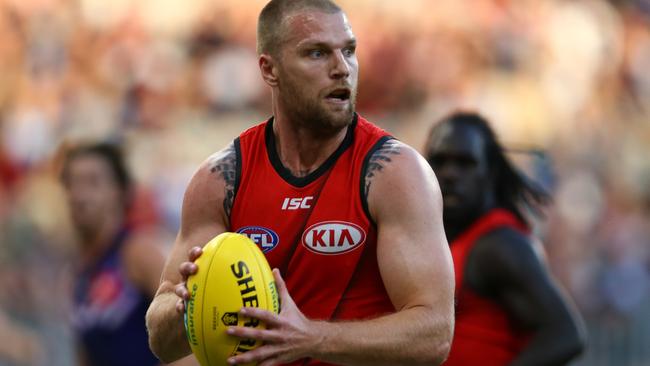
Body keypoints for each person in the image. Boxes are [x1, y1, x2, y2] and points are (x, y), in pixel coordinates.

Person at [145, 1, 455, 365]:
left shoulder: (395, 173)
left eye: (349, 51)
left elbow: (435, 334)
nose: (342, 69)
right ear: (269, 69)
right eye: (317, 53)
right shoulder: (220, 180)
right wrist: (189, 304)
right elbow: (161, 342)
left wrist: (313, 338)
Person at [424, 112, 587, 366]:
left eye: (465, 163)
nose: (450, 174)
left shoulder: (499, 244)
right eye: (439, 161)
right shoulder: (438, 237)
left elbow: (565, 333)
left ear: (489, 173)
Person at [61, 143, 197, 366]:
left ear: (120, 191)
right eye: (72, 183)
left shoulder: (137, 253)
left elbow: (189, 338)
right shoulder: (76, 274)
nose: (79, 195)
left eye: (92, 182)